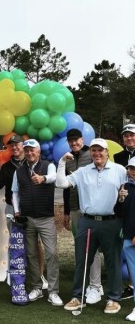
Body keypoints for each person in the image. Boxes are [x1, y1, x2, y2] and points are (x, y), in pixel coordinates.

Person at [56, 138, 127, 314]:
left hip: (111, 221)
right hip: (86, 221)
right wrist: (61, 162)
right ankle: (77, 297)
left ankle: (113, 299)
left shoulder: (120, 170)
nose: (97, 154)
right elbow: (61, 183)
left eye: (100, 150)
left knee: (113, 262)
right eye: (94, 150)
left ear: (107, 152)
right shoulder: (83, 171)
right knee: (82, 260)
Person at [0, 134, 47, 289]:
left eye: (17, 145)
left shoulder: (34, 164)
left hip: (31, 208)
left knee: (35, 243)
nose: (14, 147)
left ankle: (39, 276)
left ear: (23, 146)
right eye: (11, 145)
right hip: (12, 208)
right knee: (15, 242)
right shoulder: (7, 166)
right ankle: (14, 274)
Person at [11, 139, 62, 306]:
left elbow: (54, 177)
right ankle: (37, 288)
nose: (29, 153)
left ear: (38, 151)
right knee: (31, 254)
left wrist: (43, 178)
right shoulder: (19, 171)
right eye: (27, 150)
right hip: (27, 218)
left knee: (52, 253)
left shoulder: (48, 165)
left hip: (46, 218)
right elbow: (15, 193)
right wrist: (17, 211)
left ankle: (53, 291)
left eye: (32, 150)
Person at [62, 128, 103, 304]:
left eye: (76, 140)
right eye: (70, 141)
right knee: (82, 248)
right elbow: (66, 187)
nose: (73, 143)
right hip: (74, 208)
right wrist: (65, 212)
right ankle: (89, 283)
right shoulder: (68, 160)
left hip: (92, 209)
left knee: (91, 247)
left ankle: (96, 285)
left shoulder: (92, 154)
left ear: (82, 139)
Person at [114, 123, 135, 300]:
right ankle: (130, 284)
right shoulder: (118, 156)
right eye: (126, 136)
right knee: (125, 246)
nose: (129, 138)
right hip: (125, 199)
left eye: (132, 135)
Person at [116, 158, 135, 320]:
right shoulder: (126, 186)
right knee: (134, 273)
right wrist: (121, 199)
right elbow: (119, 211)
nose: (132, 171)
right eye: (130, 168)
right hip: (128, 236)